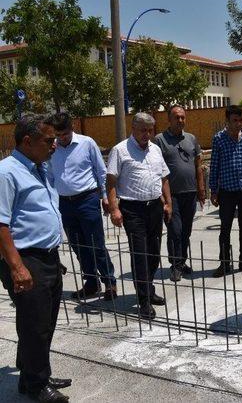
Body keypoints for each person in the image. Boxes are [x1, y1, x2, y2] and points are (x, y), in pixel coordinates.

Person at [0, 113, 71, 402]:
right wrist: (17, 267)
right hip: (24, 258)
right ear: (28, 141)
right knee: (36, 323)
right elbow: (0, 224)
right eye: (49, 140)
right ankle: (37, 384)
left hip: (47, 256)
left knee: (41, 321)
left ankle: (32, 372)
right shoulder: (7, 172)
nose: (54, 145)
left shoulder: (41, 168)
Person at [106, 112, 172, 320]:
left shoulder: (155, 149)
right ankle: (143, 301)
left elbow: (164, 178)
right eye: (143, 130)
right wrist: (115, 209)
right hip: (133, 210)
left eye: (150, 130)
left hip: (155, 208)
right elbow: (111, 182)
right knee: (140, 255)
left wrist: (168, 202)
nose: (147, 134)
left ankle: (148, 288)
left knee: (153, 254)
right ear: (133, 128)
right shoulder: (120, 150)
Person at [49, 112, 118, 299]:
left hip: (87, 200)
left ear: (72, 129)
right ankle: (91, 282)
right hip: (64, 204)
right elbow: (49, 176)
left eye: (65, 134)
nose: (62, 138)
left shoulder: (87, 143)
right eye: (58, 134)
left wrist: (105, 197)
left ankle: (109, 282)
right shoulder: (51, 149)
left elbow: (101, 172)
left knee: (96, 244)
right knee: (78, 246)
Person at [154, 105, 205, 282]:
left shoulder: (191, 139)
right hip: (171, 195)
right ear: (169, 119)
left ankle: (182, 261)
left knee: (186, 231)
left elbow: (198, 165)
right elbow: (155, 169)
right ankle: (175, 265)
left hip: (190, 194)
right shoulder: (159, 140)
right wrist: (162, 197)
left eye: (183, 117)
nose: (180, 120)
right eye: (177, 117)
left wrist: (201, 189)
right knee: (175, 230)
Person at [210, 105, 242, 277]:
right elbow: (214, 164)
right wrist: (213, 190)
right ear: (227, 121)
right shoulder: (219, 138)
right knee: (225, 228)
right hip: (227, 191)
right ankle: (224, 263)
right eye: (234, 120)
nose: (238, 124)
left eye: (240, 120)